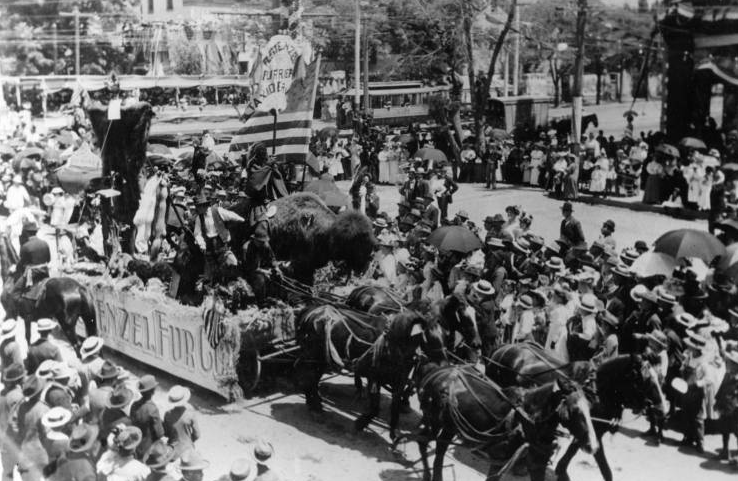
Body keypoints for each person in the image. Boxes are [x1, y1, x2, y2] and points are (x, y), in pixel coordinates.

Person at [17, 375, 49, 481]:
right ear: (40, 392)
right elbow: (46, 434)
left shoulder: (21, 407)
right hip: (39, 454)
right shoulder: (44, 409)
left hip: (24, 452)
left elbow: (19, 428)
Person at [10, 220, 51, 301]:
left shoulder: (26, 246)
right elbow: (48, 259)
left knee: (14, 293)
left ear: (26, 233)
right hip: (45, 271)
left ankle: (20, 312)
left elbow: (22, 264)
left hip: (33, 273)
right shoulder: (44, 243)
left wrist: (15, 269)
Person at [0, 363, 25, 481]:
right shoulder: (18, 396)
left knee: (7, 473)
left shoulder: (1, 394)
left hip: (4, 441)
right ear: (19, 380)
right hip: (17, 441)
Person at [131, 375, 165, 459]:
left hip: (135, 442)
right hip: (147, 446)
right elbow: (160, 433)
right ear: (153, 391)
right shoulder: (152, 409)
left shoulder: (134, 404)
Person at [242, 231, 280, 303]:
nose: (263, 243)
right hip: (250, 271)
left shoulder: (265, 245)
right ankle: (261, 301)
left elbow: (272, 258)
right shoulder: (246, 248)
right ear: (254, 239)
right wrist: (266, 272)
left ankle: (277, 296)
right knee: (260, 278)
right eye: (260, 241)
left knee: (279, 273)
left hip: (262, 267)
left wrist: (276, 268)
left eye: (263, 241)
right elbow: (251, 268)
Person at [163, 386, 200, 456]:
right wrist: (189, 440)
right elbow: (197, 435)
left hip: (173, 450)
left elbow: (166, 434)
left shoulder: (167, 414)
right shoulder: (190, 412)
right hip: (187, 448)